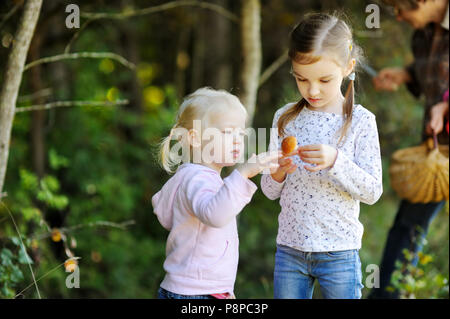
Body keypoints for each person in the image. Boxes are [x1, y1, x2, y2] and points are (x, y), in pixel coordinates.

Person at [261, 13, 383, 299]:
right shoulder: (284, 119)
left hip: (339, 251)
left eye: (324, 80)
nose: (312, 90)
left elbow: (373, 190)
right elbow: (268, 190)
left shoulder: (361, 121)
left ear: (348, 67)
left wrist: (336, 161)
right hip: (290, 250)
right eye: (301, 79)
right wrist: (279, 171)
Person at [152, 87, 281, 299]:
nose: (237, 140)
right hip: (195, 292)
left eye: (240, 133)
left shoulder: (196, 178)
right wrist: (243, 174)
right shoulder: (197, 179)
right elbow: (216, 215)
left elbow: (168, 217)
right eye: (227, 132)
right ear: (195, 138)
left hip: (198, 289)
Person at [370, 0, 449, 299]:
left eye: (402, 9)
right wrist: (405, 74)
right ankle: (389, 295)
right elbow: (433, 73)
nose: (399, 17)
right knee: (407, 226)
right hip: (437, 154)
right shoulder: (422, 36)